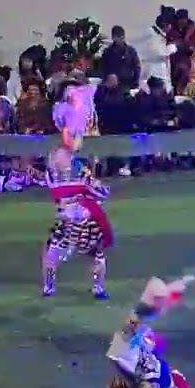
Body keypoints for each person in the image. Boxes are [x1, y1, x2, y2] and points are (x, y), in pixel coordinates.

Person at [42, 83, 113, 299]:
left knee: (96, 255)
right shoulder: (61, 170)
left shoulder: (77, 170)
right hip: (68, 220)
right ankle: (49, 286)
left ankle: (98, 287)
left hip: (83, 220)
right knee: (53, 252)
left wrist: (94, 188)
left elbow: (101, 192)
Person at [100, 26, 140, 91]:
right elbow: (104, 68)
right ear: (113, 37)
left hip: (127, 83)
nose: (120, 40)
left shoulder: (130, 51)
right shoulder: (107, 52)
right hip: (112, 84)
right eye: (117, 37)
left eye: (122, 37)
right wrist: (105, 81)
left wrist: (136, 82)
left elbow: (137, 67)